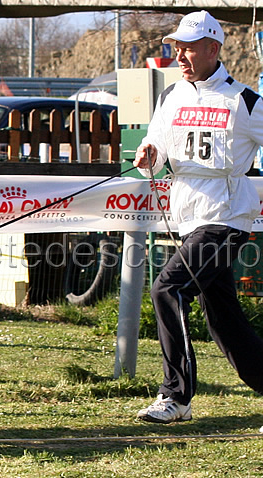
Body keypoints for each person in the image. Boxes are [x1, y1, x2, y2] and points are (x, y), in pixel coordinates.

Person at [133, 10, 263, 423]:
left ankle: (177, 396)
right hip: (187, 213)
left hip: (228, 217)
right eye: (176, 48)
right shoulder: (171, 96)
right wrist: (147, 157)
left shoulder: (244, 100)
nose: (181, 56)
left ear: (213, 49)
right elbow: (154, 149)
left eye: (188, 48)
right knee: (221, 312)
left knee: (167, 288)